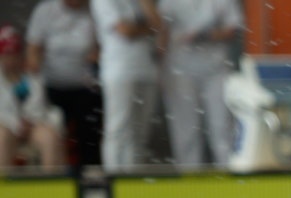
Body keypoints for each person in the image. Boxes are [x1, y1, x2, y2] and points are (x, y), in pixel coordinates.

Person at [157, 0, 241, 166]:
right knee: (185, 129)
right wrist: (159, 69)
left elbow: (232, 29)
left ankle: (230, 175)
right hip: (179, 69)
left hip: (216, 68)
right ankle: (189, 179)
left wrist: (205, 35)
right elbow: (161, 30)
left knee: (222, 126)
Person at [25, 0, 101, 166]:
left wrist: (96, 57)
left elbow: (102, 46)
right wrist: (35, 77)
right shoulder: (45, 11)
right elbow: (33, 49)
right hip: (52, 86)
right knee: (53, 135)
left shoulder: (94, 11)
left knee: (90, 134)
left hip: (85, 86)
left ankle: (90, 172)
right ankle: (58, 176)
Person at [89, 0, 160, 171]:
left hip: (145, 69)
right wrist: (146, 28)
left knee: (140, 132)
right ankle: (113, 178)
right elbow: (124, 30)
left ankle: (134, 177)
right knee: (118, 128)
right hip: (118, 69)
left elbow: (157, 24)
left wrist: (143, 25)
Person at [2, 24, 67, 171]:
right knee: (1, 137)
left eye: (14, 54)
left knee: (49, 137)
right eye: (6, 55)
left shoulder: (33, 75)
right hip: (7, 127)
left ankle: (52, 187)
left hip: (33, 125)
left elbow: (39, 106)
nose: (10, 59)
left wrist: (27, 122)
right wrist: (16, 123)